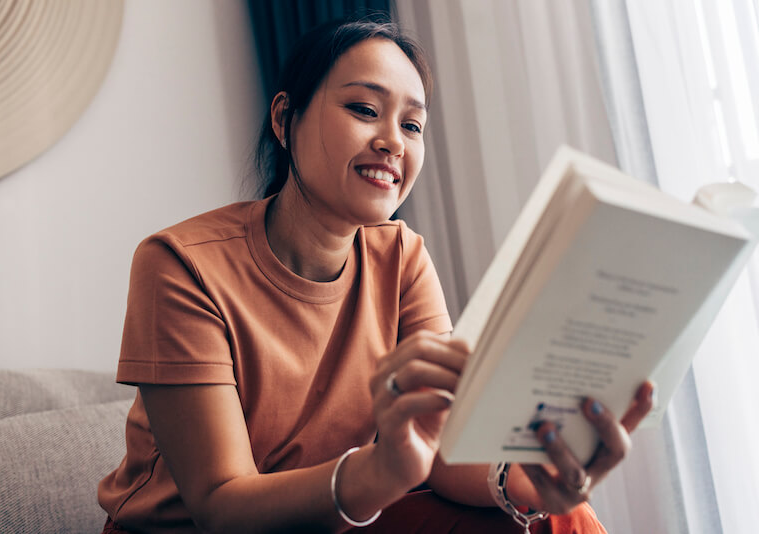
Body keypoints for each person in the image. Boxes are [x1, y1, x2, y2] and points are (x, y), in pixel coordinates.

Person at [98, 19, 654, 533]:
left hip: (346, 517)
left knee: (559, 516)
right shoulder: (180, 264)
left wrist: (517, 481)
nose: (393, 140)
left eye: (412, 124)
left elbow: (436, 445)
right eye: (365, 109)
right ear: (284, 119)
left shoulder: (403, 256)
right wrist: (381, 470)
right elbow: (222, 505)